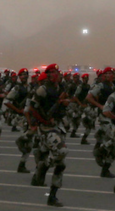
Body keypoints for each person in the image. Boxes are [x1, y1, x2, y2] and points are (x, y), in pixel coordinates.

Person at [28, 64, 69, 207]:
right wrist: (43, 120)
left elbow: (63, 104)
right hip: (46, 128)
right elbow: (32, 107)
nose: (55, 75)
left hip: (58, 126)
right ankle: (43, 166)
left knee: (61, 164)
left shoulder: (60, 88)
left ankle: (52, 196)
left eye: (56, 72)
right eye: (52, 73)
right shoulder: (43, 89)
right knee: (62, 151)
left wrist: (64, 103)